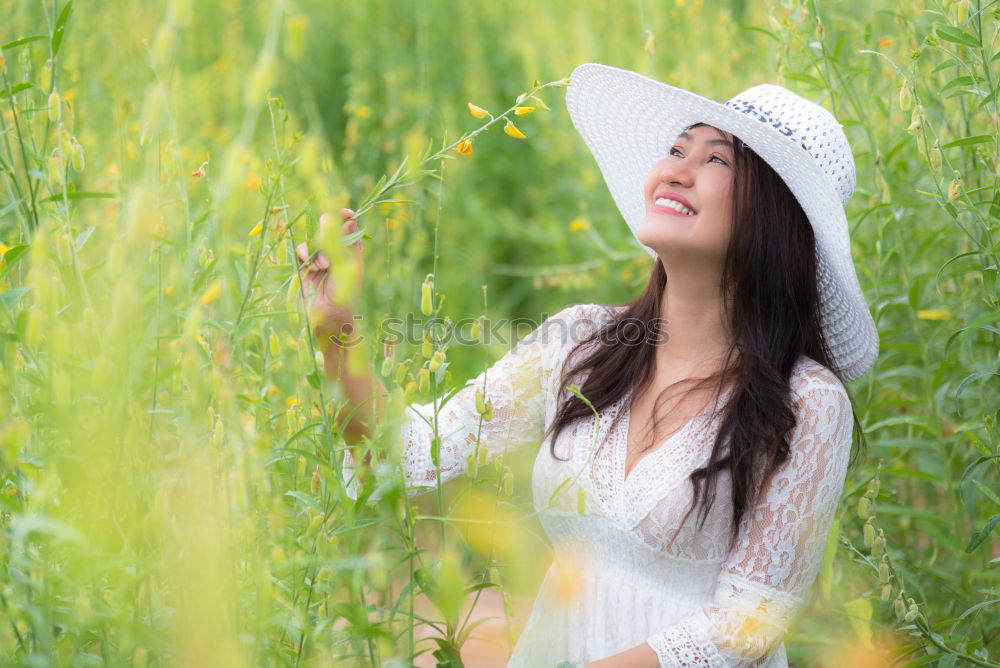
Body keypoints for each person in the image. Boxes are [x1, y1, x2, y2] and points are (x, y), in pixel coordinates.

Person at [295, 62, 879, 667]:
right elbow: (404, 449)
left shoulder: (807, 401)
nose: (673, 170)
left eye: (715, 160)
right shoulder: (582, 342)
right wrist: (335, 329)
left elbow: (747, 624)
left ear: (776, 216)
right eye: (677, 148)